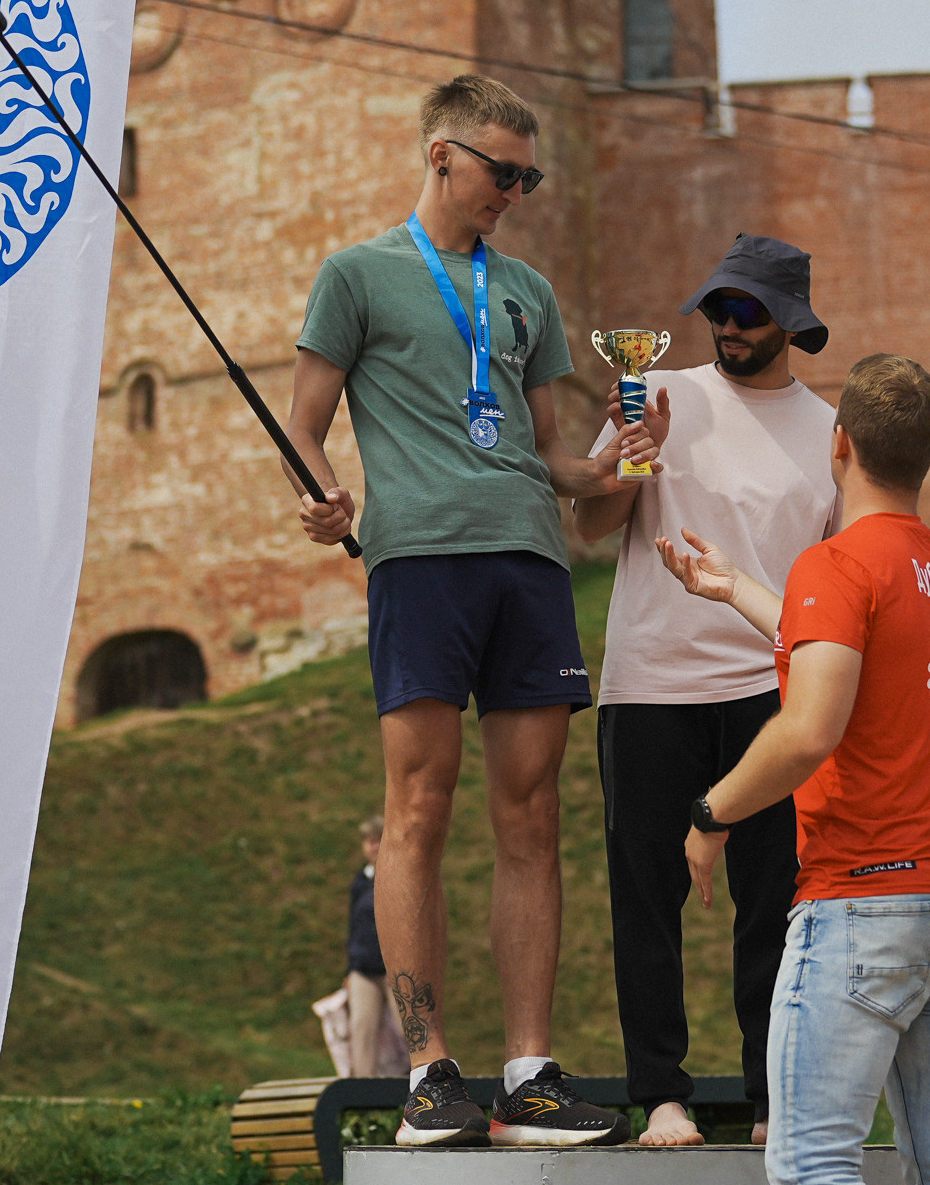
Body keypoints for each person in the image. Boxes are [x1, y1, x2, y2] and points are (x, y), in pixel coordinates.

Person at [286, 73, 660, 1149]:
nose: (518, 192)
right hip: (420, 562)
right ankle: (426, 1071)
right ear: (443, 155)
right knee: (418, 806)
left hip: (530, 563)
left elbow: (554, 460)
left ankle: (532, 1073)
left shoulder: (528, 291)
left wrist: (618, 459)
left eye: (530, 176)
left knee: (532, 813)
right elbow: (305, 424)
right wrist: (322, 498)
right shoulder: (356, 275)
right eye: (506, 172)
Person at [658, 354, 930, 1185]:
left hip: (863, 906)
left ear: (838, 444)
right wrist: (738, 588)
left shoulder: (837, 564)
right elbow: (852, 657)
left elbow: (809, 728)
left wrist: (711, 816)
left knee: (812, 1161)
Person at [571, 235, 841, 1148]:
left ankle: (775, 1101)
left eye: (749, 311)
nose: (727, 325)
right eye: (718, 308)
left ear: (790, 324)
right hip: (649, 684)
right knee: (644, 902)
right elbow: (590, 525)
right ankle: (663, 1099)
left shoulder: (829, 431)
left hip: (774, 693)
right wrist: (634, 456)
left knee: (777, 904)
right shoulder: (660, 391)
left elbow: (837, 579)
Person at [345, 814, 408, 1078]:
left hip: (396, 969)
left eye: (378, 840)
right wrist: (349, 970)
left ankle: (423, 1082)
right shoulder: (360, 882)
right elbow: (353, 928)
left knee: (411, 1028)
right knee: (362, 1030)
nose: (373, 847)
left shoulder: (401, 875)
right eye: (369, 841)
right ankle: (363, 1091)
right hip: (363, 969)